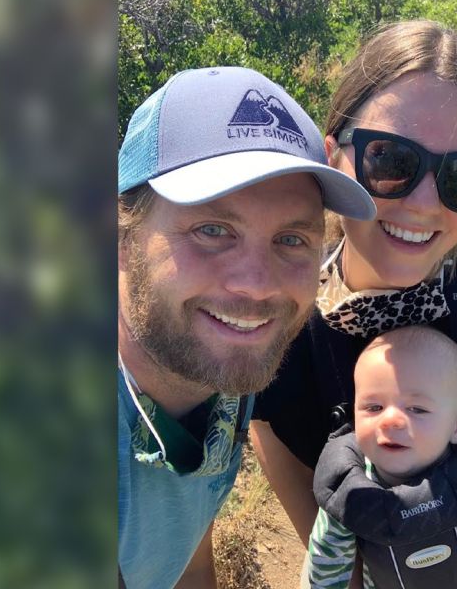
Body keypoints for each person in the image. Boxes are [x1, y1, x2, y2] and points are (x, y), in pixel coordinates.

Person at [250, 20, 457, 589]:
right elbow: (272, 425)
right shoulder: (280, 327)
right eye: (391, 160)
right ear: (335, 156)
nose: (426, 204)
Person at [117, 66, 375, 588]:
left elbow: (187, 552)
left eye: (291, 239)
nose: (257, 287)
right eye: (212, 230)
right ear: (121, 237)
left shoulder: (219, 367)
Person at [308, 325, 457, 589]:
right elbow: (326, 559)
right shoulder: (350, 495)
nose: (390, 420)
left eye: (417, 409)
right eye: (373, 407)